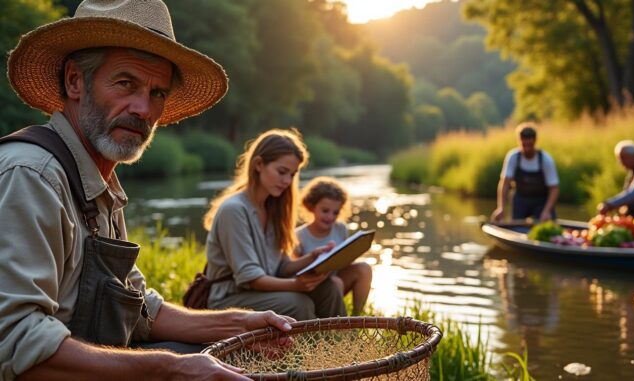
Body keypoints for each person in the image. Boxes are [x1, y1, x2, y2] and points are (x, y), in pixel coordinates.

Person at [0, 1, 294, 380]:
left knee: (215, 359)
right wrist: (169, 369)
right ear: (75, 81)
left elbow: (140, 308)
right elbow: (14, 340)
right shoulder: (32, 175)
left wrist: (240, 324)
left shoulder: (100, 182)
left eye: (157, 93)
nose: (143, 108)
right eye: (126, 83)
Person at [203, 130, 347, 320]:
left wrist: (311, 258)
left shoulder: (272, 207)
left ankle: (342, 343)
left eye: (292, 175)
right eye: (281, 172)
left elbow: (280, 267)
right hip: (228, 297)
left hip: (260, 291)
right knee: (298, 303)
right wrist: (297, 285)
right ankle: (307, 349)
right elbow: (250, 277)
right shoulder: (234, 210)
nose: (287, 181)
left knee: (329, 288)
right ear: (259, 164)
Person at [295, 177, 373, 315]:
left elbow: (344, 260)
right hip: (313, 287)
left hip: (336, 279)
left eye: (335, 212)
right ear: (311, 207)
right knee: (335, 282)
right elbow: (295, 271)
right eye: (325, 211)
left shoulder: (340, 228)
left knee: (364, 269)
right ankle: (339, 327)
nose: (330, 217)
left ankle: (357, 319)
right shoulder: (299, 235)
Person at [491, 123, 560, 222]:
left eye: (530, 145)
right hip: (520, 200)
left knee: (548, 226)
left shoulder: (545, 159)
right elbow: (505, 184)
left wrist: (547, 211)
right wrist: (501, 207)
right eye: (524, 144)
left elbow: (554, 188)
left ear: (535, 140)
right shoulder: (513, 157)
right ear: (519, 141)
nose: (527, 148)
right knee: (516, 228)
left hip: (541, 201)